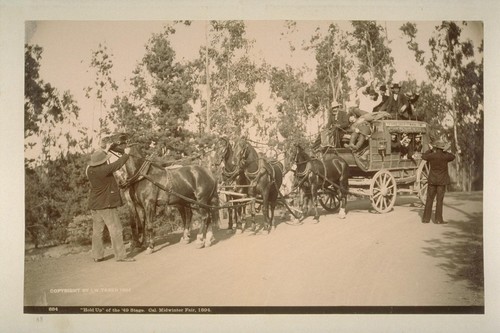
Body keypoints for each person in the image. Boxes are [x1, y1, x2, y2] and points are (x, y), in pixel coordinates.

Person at [86, 141, 135, 262]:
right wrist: (126, 154)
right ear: (102, 162)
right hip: (106, 204)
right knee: (116, 229)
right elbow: (117, 164)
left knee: (97, 231)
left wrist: (106, 150)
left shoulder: (89, 170)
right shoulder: (104, 170)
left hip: (95, 205)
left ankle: (97, 256)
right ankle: (121, 256)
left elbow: (102, 161)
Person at [421, 140, 455, 224]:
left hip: (432, 180)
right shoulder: (445, 156)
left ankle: (426, 219)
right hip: (441, 182)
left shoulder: (432, 156)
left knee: (429, 199)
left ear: (436, 148)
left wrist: (431, 150)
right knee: (439, 200)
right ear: (442, 148)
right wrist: (445, 151)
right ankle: (438, 220)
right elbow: (453, 156)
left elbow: (424, 156)